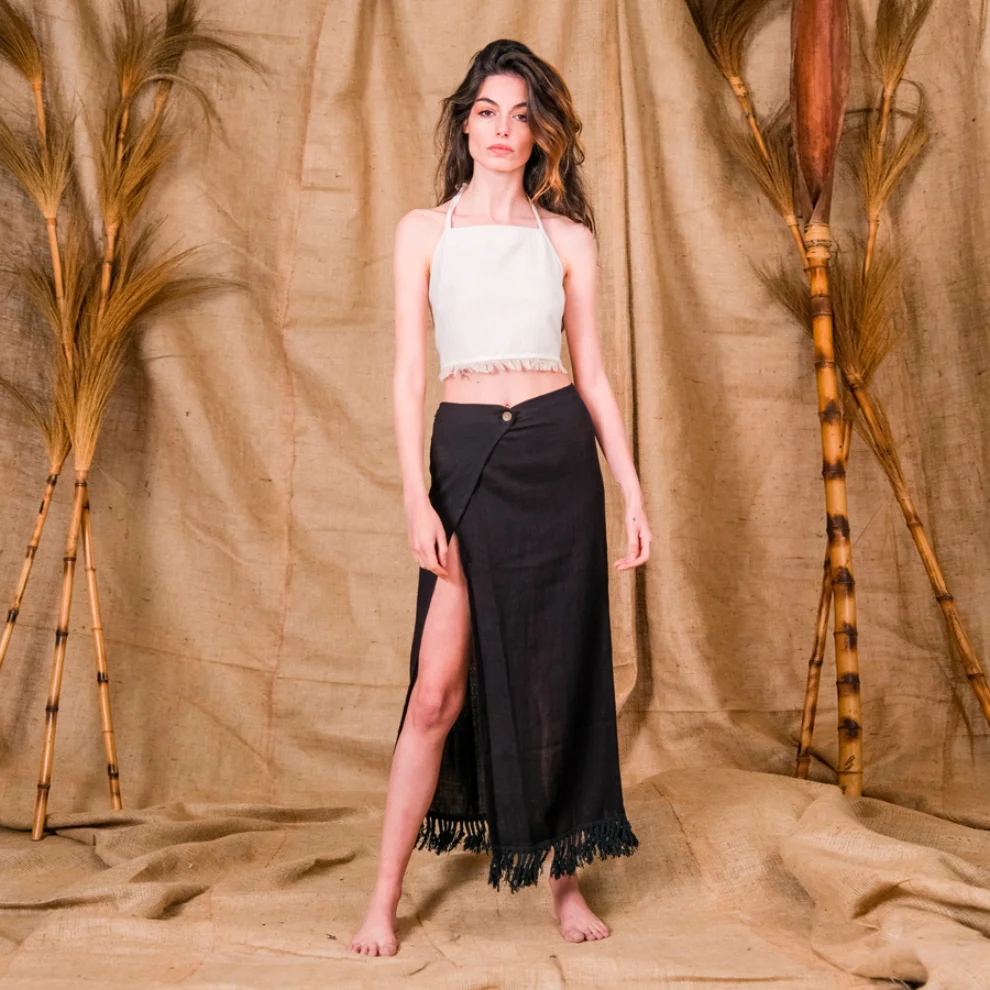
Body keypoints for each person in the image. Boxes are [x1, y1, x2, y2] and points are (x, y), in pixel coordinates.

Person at [350, 39, 651, 957]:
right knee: (435, 691)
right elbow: (408, 374)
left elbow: (592, 374)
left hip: (557, 456)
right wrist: (415, 496)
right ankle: (382, 899)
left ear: (541, 134)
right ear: (465, 124)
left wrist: (632, 491)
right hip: (467, 454)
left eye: (522, 116)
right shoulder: (423, 231)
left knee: (554, 679)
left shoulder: (567, 239)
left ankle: (564, 883)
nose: (503, 130)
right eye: (488, 111)